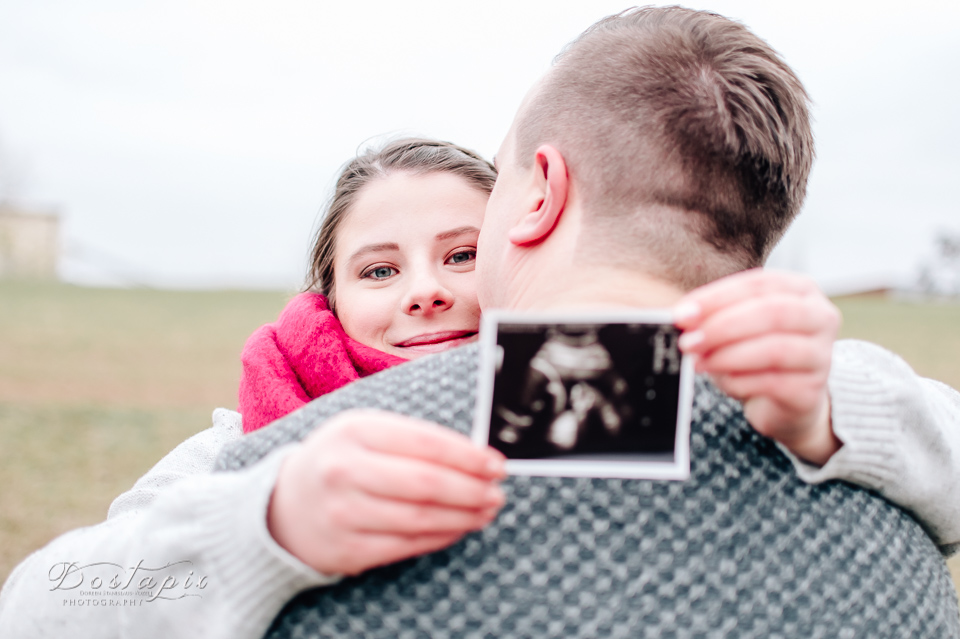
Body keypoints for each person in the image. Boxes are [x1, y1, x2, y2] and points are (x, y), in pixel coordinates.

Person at [2, 6, 960, 638]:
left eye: (464, 249)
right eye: (377, 268)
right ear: (324, 295)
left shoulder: (764, 391)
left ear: (536, 198)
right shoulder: (249, 448)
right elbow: (42, 604)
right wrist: (265, 520)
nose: (426, 290)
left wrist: (836, 403)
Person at [237, 138, 497, 432]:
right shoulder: (214, 460)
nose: (425, 292)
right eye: (381, 272)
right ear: (332, 298)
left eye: (463, 256)